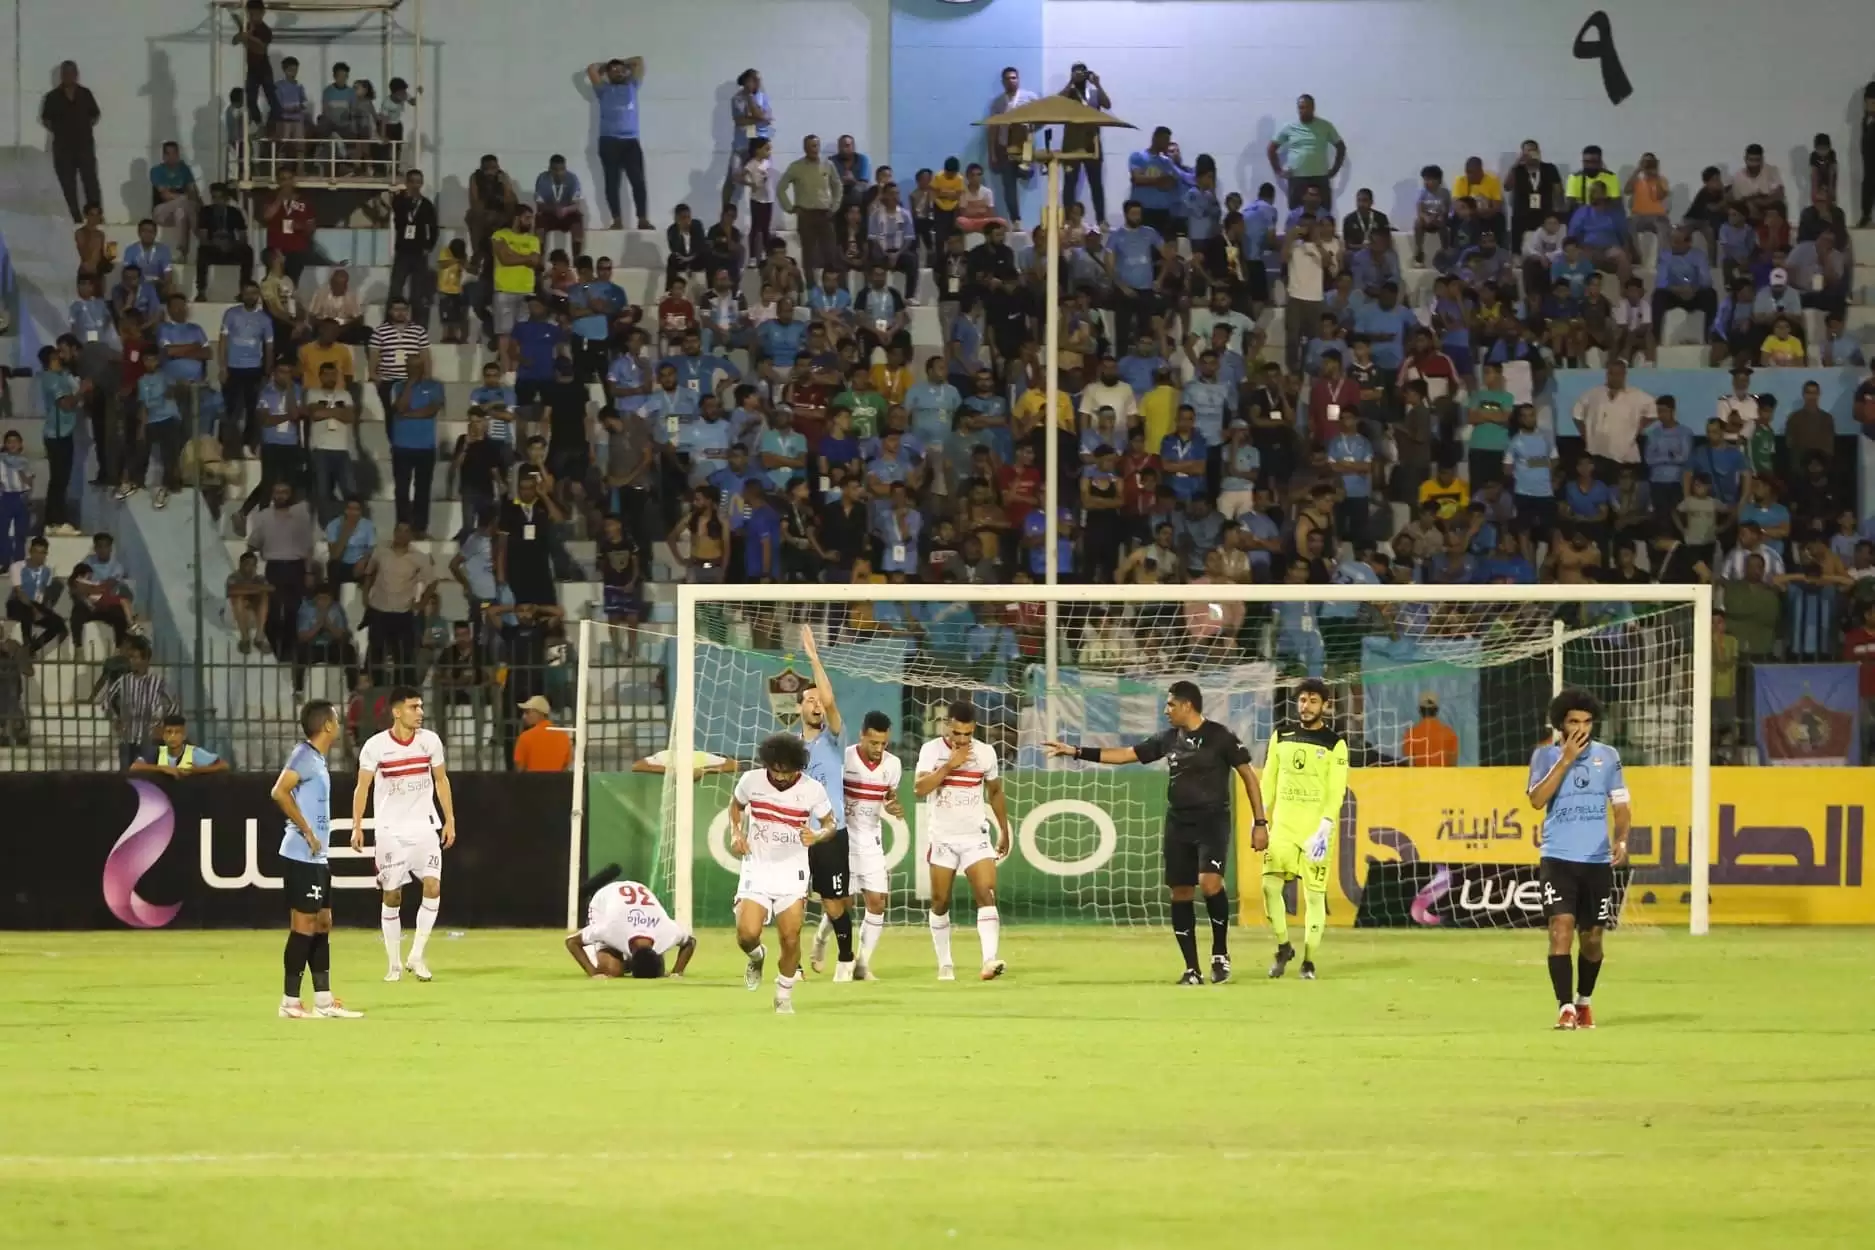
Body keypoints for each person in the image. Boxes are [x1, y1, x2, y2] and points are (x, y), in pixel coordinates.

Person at [1045, 681, 1267, 985]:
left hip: (1212, 822)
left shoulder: (1220, 737)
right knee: (1181, 891)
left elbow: (1248, 777)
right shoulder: (1168, 739)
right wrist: (1077, 752)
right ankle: (1192, 969)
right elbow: (1125, 754)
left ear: (1187, 705)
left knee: (1211, 883)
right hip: (1178, 824)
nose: (1166, 710)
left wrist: (1260, 822)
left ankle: (1220, 953)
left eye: (1171, 704)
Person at [1525, 687, 1630, 1030]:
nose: (1581, 728)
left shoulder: (1609, 757)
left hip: (1597, 861)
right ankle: (1565, 1006)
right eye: (1574, 722)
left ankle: (1584, 1001)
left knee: (1593, 938)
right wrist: (1566, 760)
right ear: (1560, 724)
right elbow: (1537, 801)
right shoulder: (1543, 757)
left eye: (1587, 721)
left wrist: (1622, 837)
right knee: (1561, 928)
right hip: (1558, 857)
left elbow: (1621, 805)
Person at [350, 686, 457, 983]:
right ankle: (394, 963)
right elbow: (363, 787)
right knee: (392, 894)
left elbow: (441, 780)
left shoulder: (430, 742)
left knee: (433, 887)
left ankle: (417, 956)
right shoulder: (375, 746)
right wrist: (357, 825)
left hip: (424, 826)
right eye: (413, 707)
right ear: (397, 712)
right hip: (390, 831)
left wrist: (449, 820)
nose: (420, 713)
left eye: (421, 707)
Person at [729, 732, 838, 1014]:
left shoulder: (812, 789)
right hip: (758, 868)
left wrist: (817, 834)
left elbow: (830, 824)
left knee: (790, 938)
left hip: (793, 873)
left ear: (798, 769)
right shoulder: (751, 781)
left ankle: (783, 996)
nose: (779, 777)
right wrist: (736, 831)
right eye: (775, 771)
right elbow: (736, 806)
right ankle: (756, 957)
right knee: (746, 935)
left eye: (786, 773)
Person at [271, 700, 364, 1019]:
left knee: (323, 922)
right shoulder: (303, 755)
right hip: (301, 854)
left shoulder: (317, 760)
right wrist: (307, 830)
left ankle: (323, 1001)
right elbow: (279, 792)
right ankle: (290, 1002)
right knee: (303, 926)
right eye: (337, 719)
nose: (339, 724)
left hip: (317, 857)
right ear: (327, 726)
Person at [914, 699, 1013, 981]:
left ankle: (989, 960)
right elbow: (919, 789)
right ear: (947, 726)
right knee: (940, 901)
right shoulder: (931, 751)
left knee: (986, 893)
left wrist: (1004, 829)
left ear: (974, 730)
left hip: (975, 837)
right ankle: (945, 964)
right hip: (943, 837)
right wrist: (949, 766)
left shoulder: (985, 754)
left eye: (967, 734)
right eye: (956, 733)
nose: (961, 739)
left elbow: (994, 792)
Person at [1258, 676, 1349, 980]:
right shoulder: (1281, 735)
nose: (1306, 706)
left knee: (1313, 896)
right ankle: (1284, 946)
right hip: (1282, 827)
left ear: (1325, 705)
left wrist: (1325, 825)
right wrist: (1259, 819)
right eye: (1302, 700)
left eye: (1312, 700)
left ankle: (1309, 960)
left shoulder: (1335, 743)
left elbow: (1336, 791)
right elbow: (1268, 780)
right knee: (1269, 887)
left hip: (1315, 832)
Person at [793, 624, 854, 978]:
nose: (817, 705)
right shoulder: (788, 745)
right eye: (810, 700)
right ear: (799, 706)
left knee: (834, 901)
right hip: (797, 836)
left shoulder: (834, 738)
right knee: (793, 903)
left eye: (820, 700)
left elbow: (830, 701)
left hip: (831, 833)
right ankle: (794, 965)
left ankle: (846, 959)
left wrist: (814, 658)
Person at [564, 879, 697, 979]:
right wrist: (593, 973)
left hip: (636, 895)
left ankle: (619, 959)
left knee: (653, 970)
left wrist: (677, 972)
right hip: (604, 900)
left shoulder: (667, 932)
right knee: (611, 971)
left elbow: (690, 942)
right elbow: (571, 942)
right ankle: (593, 950)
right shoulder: (611, 929)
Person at [129, 713, 227, 776]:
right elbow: (134, 767)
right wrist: (162, 768)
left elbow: (223, 765)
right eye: (169, 732)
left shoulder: (193, 752)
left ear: (184, 735)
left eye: (177, 732)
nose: (173, 736)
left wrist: (197, 770)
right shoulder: (157, 752)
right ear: (163, 735)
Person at [512, 693, 571, 772]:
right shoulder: (564, 737)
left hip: (532, 783)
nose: (523, 716)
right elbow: (566, 767)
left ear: (539, 713)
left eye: (527, 712)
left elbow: (519, 769)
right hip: (556, 783)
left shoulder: (525, 737)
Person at [1400, 694, 1458, 766]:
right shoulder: (1450, 734)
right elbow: (1453, 765)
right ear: (1437, 710)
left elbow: (1410, 765)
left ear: (1420, 710)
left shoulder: (1410, 734)